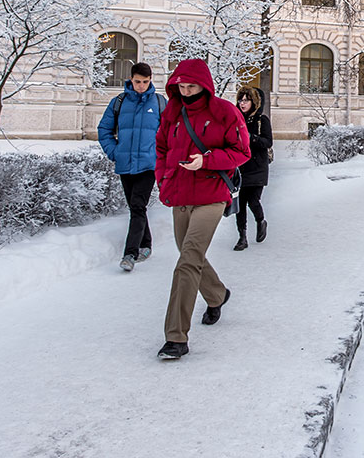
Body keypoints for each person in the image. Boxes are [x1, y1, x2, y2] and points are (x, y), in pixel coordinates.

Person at [154, 58, 251, 360]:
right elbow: (160, 149)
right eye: (181, 86)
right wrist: (163, 178)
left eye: (192, 86)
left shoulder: (223, 112)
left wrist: (205, 160)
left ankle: (176, 337)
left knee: (188, 260)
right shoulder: (172, 113)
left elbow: (241, 151)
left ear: (205, 85)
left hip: (211, 195)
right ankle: (217, 294)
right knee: (189, 254)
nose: (186, 91)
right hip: (180, 194)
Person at [97, 62, 165, 273]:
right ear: (131, 80)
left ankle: (130, 253)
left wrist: (160, 156)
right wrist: (114, 152)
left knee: (137, 205)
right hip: (125, 163)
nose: (142, 86)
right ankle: (146, 244)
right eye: (138, 82)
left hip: (148, 165)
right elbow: (104, 129)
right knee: (136, 207)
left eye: (145, 82)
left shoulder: (160, 102)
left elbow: (170, 133)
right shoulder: (119, 102)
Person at [233, 85, 273, 251]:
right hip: (240, 167)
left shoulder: (261, 121)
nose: (242, 104)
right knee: (240, 204)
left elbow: (267, 142)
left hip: (257, 167)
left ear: (253, 102)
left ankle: (260, 221)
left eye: (246, 100)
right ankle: (242, 237)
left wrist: (251, 138)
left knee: (253, 201)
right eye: (240, 100)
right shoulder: (236, 120)